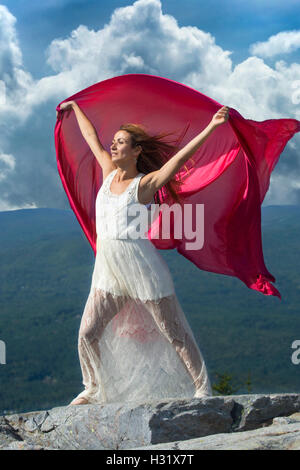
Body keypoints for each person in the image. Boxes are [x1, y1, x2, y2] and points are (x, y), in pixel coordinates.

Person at [57, 100, 229, 405]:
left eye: (121, 142)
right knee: (87, 333)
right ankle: (94, 388)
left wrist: (212, 127)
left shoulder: (144, 185)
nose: (113, 146)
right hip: (109, 270)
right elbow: (91, 138)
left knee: (173, 332)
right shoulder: (109, 173)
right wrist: (74, 108)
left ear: (136, 151)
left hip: (141, 269)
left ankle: (202, 388)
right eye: (115, 141)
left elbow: (176, 161)